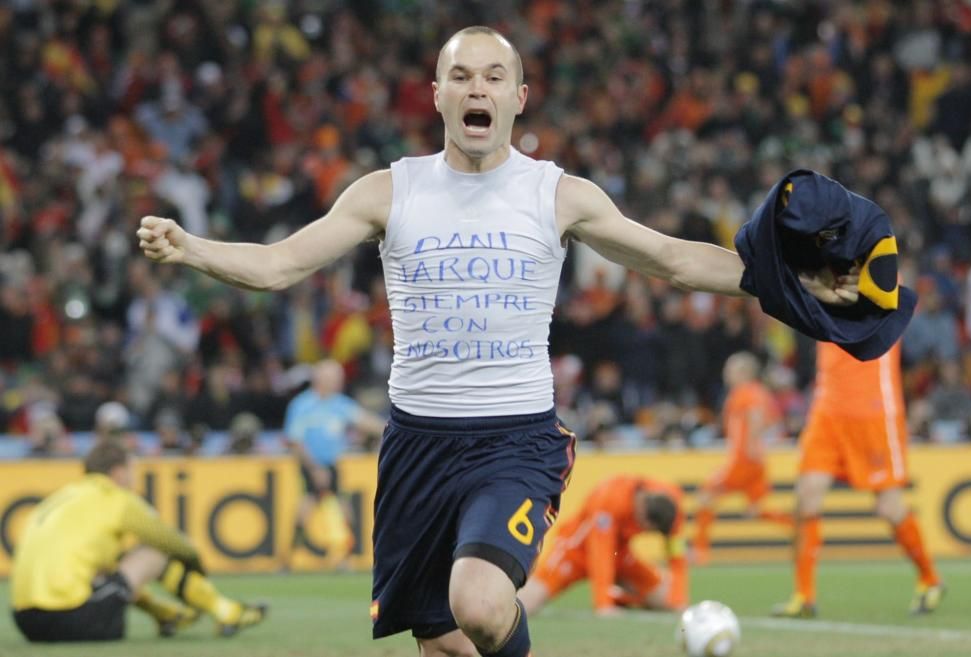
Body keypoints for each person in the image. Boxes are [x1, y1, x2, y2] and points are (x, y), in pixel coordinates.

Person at [138, 26, 857, 657]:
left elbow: (671, 257)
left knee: (478, 603)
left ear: (518, 96)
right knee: (444, 641)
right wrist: (190, 248)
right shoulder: (388, 191)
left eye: (492, 75)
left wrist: (792, 284)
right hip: (416, 443)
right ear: (437, 96)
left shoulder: (557, 194)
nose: (475, 87)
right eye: (460, 75)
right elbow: (278, 265)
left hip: (514, 440)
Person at [9, 441, 266, 642]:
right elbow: (173, 542)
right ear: (118, 472)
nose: (133, 477)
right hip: (72, 619)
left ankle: (166, 615)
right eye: (132, 470)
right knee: (153, 553)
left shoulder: (60, 498)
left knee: (109, 569)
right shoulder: (116, 498)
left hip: (25, 622)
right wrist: (197, 565)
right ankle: (227, 612)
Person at [772, 341, 944, 618]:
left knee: (888, 506)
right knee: (806, 497)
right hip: (828, 407)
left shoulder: (890, 296)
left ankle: (930, 579)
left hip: (872, 408)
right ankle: (804, 596)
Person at [518, 475, 688, 617]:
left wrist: (679, 599)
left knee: (667, 599)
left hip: (618, 554)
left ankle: (620, 596)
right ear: (642, 510)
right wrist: (603, 604)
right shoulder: (611, 498)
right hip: (576, 551)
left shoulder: (673, 506)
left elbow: (677, 555)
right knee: (526, 604)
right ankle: (612, 596)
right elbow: (600, 553)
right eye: (646, 528)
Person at [693, 352, 792, 564]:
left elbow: (756, 416)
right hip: (754, 460)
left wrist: (750, 443)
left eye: (730, 369)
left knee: (705, 498)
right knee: (756, 510)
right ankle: (801, 531)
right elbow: (771, 420)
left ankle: (700, 551)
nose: (725, 373)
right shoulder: (759, 392)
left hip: (743, 460)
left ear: (744, 372)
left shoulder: (746, 392)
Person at [284, 359, 384, 564]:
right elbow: (294, 441)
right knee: (307, 506)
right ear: (320, 379)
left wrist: (395, 429)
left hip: (332, 464)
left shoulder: (339, 404)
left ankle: (346, 555)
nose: (339, 382)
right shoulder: (302, 405)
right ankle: (289, 557)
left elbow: (365, 420)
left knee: (342, 506)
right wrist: (313, 468)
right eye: (334, 378)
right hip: (310, 463)